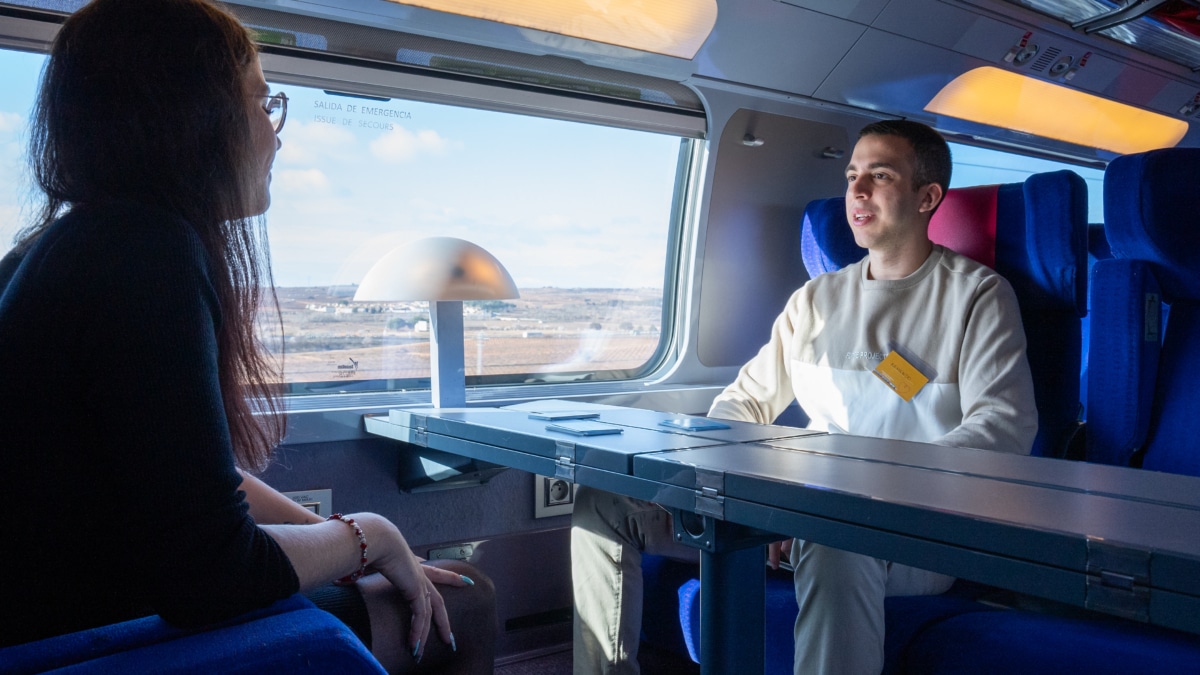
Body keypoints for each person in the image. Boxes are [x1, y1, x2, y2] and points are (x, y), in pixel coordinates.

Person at [0, 1, 495, 672]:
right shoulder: (146, 253)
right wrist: (368, 534)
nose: (277, 135)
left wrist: (344, 543)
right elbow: (210, 568)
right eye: (262, 103)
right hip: (93, 626)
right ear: (192, 116)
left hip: (49, 606)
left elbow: (189, 477)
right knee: (467, 600)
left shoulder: (52, 248)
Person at [571, 120, 1037, 674]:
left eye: (880, 176)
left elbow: (1002, 429)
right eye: (852, 176)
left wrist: (847, 500)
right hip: (790, 507)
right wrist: (752, 494)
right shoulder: (817, 298)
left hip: (908, 530)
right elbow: (742, 404)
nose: (857, 192)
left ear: (927, 197)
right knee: (603, 500)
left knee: (833, 540)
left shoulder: (976, 295)